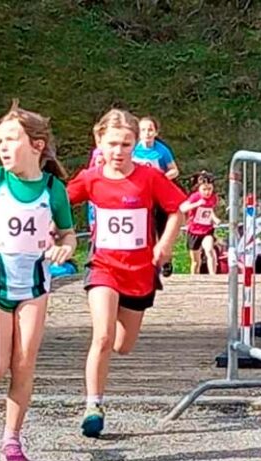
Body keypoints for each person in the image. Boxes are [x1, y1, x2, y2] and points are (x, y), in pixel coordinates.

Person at [0, 102, 76, 461]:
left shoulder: (53, 190)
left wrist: (64, 248)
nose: (3, 148)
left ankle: (12, 438)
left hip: (34, 288)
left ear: (36, 146)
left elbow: (68, 234)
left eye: (11, 139)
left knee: (23, 364)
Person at [67, 109, 186, 437]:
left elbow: (177, 210)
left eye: (125, 144)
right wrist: (56, 230)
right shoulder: (91, 178)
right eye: (112, 144)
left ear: (136, 145)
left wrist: (165, 244)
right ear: (98, 141)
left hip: (139, 273)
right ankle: (93, 405)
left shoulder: (149, 177)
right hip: (103, 267)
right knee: (102, 336)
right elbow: (59, 202)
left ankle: (99, 388)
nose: (118, 151)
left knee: (122, 345)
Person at [133, 116, 181, 277]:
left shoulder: (162, 150)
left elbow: (174, 170)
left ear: (156, 132)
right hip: (140, 195)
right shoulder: (133, 150)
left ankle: (165, 259)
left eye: (150, 130)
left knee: (162, 227)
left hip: (159, 195)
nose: (147, 133)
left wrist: (162, 179)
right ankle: (146, 261)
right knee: (144, 228)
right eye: (143, 130)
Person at [180, 171, 221, 274]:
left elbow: (209, 210)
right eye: (204, 189)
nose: (207, 192)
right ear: (199, 188)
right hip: (194, 231)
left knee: (209, 250)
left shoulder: (213, 198)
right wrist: (197, 204)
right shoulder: (195, 197)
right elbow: (183, 208)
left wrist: (215, 218)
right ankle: (194, 278)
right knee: (196, 262)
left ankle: (213, 276)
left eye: (210, 189)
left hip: (207, 230)